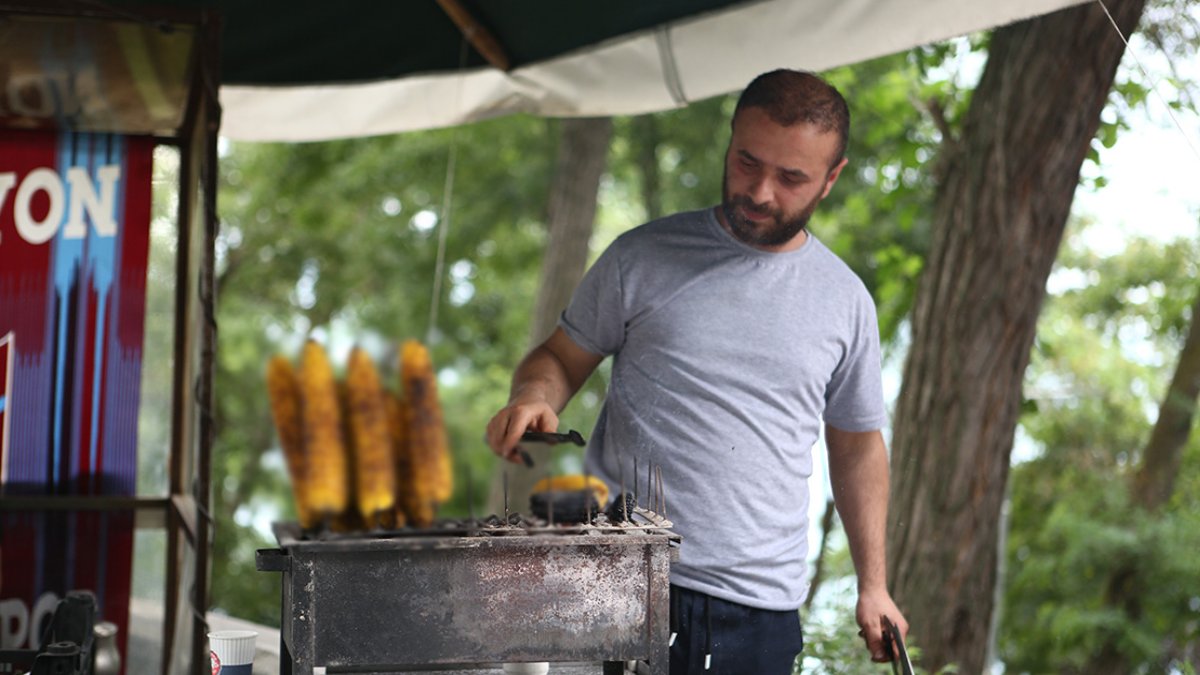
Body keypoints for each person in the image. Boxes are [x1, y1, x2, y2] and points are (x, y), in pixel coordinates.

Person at [486, 69, 908, 674]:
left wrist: (874, 584)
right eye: (747, 162)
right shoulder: (641, 256)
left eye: (791, 177)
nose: (760, 191)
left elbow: (858, 446)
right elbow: (557, 358)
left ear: (831, 178)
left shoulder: (846, 301)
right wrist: (533, 395)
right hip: (619, 578)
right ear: (731, 141)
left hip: (759, 614)